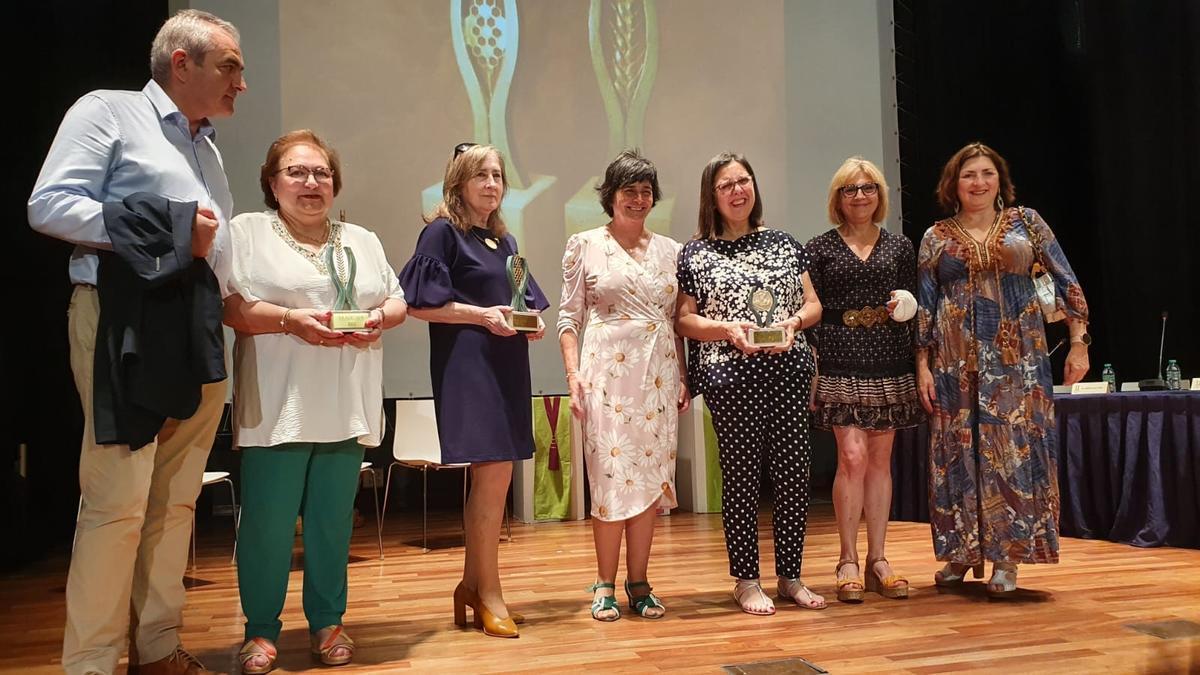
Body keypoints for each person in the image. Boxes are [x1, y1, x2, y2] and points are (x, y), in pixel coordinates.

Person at [27, 10, 246, 675]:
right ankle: (91, 664)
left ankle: (155, 647)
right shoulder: (109, 112)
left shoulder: (206, 145)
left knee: (176, 500)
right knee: (117, 501)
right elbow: (49, 204)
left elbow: (215, 248)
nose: (241, 83)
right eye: (230, 66)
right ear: (182, 63)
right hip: (126, 324)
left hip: (196, 328)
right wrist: (172, 230)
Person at [222, 130, 407, 672]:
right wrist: (289, 321)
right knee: (268, 525)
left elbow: (396, 300)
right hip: (277, 406)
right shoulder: (247, 232)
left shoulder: (361, 239)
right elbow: (231, 308)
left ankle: (328, 622)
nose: (311, 182)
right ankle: (260, 630)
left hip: (346, 402)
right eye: (297, 172)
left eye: (321, 173)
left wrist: (378, 318)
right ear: (271, 182)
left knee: (332, 524)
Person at [916, 142, 1090, 597]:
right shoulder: (936, 236)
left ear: (1000, 180)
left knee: (1013, 450)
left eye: (987, 173)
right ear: (953, 184)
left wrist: (1078, 344)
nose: (979, 182)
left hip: (1018, 363)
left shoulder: (1026, 223)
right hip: (954, 365)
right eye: (969, 174)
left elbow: (1066, 282)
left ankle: (1008, 555)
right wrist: (923, 366)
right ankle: (962, 550)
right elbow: (926, 307)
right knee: (957, 453)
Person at [398, 143, 548, 638]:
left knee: (496, 480)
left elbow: (519, 301)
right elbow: (417, 303)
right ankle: (490, 594)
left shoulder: (503, 241)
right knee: (492, 477)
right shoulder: (443, 232)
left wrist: (529, 321)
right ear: (458, 183)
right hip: (469, 365)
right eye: (480, 175)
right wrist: (480, 315)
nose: (491, 183)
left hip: (507, 364)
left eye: (498, 175)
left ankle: (470, 585)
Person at [675, 152, 826, 615]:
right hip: (731, 377)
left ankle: (791, 576)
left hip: (787, 371)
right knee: (741, 477)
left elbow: (813, 305)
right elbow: (683, 319)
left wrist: (792, 324)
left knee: (793, 475)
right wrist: (726, 330)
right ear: (712, 196)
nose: (737, 191)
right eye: (726, 185)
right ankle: (746, 580)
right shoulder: (696, 252)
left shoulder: (784, 242)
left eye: (743, 181)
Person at [557, 150, 689, 621]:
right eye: (628, 191)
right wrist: (573, 377)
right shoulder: (585, 244)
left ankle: (640, 582)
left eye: (646, 191)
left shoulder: (672, 250)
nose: (638, 199)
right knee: (610, 477)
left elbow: (677, 322)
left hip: (658, 377)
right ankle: (604, 583)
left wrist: (683, 376)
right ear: (610, 196)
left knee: (650, 482)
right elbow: (568, 318)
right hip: (606, 378)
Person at [806, 157, 923, 603]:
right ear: (838, 198)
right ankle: (847, 560)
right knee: (851, 457)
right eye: (850, 189)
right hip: (839, 358)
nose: (860, 196)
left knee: (879, 461)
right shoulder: (818, 247)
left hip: (889, 358)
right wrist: (813, 372)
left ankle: (878, 559)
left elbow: (915, 308)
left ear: (880, 194)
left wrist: (914, 343)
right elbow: (811, 313)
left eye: (868, 187)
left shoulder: (900, 247)